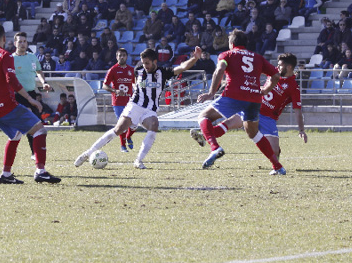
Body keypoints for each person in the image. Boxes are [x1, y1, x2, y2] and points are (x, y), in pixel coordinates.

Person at [74, 46, 201, 170]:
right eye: (143, 63)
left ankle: (138, 161)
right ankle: (88, 153)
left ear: (155, 61)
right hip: (135, 105)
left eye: (147, 63)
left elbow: (182, 67)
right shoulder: (138, 70)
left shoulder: (163, 72)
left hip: (150, 109)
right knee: (118, 130)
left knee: (154, 124)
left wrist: (194, 59)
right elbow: (135, 83)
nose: (145, 66)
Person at [0, 23, 61, 185]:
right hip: (6, 105)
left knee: (16, 135)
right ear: (4, 38)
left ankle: (6, 174)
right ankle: (41, 172)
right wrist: (31, 100)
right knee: (39, 130)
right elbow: (12, 80)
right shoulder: (5, 55)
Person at [196, 29, 284, 174]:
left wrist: (211, 92)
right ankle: (277, 166)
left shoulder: (227, 54)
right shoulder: (258, 57)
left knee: (204, 116)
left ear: (231, 43)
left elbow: (219, 70)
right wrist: (266, 90)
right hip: (254, 99)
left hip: (234, 95)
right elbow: (275, 75)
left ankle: (214, 147)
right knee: (254, 133)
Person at [190, 53, 306, 158]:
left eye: (280, 65)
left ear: (289, 67)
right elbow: (254, 71)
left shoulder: (293, 87)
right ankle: (204, 136)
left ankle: (276, 160)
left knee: (274, 152)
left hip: (268, 118)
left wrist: (301, 130)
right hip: (253, 107)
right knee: (228, 123)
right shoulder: (274, 72)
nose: (278, 67)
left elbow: (297, 110)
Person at [12, 31, 53, 154]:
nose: (22, 44)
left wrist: (43, 82)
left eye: (24, 41)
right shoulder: (11, 59)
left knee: (35, 124)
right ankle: (32, 153)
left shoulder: (32, 57)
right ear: (15, 43)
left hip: (32, 94)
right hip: (17, 96)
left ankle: (34, 153)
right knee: (29, 124)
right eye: (20, 41)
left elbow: (39, 71)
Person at [101, 48, 136, 152]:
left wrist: (137, 89)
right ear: (116, 57)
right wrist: (114, 91)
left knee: (134, 124)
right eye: (119, 55)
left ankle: (129, 136)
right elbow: (104, 86)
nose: (122, 57)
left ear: (126, 57)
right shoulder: (113, 69)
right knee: (122, 124)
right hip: (118, 102)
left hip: (130, 101)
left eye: (123, 55)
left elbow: (134, 83)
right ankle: (123, 145)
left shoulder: (131, 70)